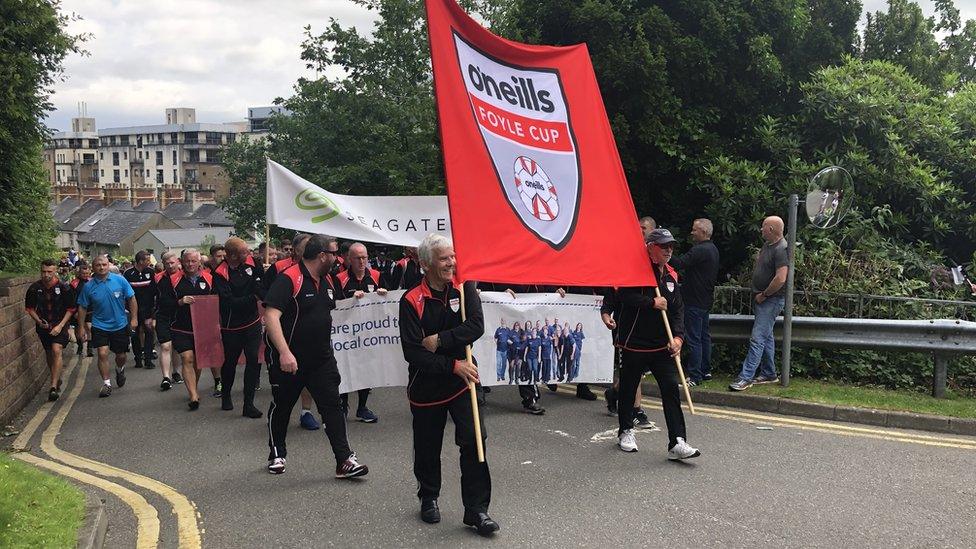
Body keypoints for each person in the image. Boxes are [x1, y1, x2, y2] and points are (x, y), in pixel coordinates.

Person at [399, 234, 497, 535]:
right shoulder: (411, 300)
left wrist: (442, 341)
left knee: (474, 441)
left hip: (463, 382)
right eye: (444, 258)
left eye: (453, 256)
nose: (451, 262)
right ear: (427, 264)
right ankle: (428, 496)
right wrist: (451, 364)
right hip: (427, 386)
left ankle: (477, 510)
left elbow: (476, 326)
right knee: (428, 447)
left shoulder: (466, 287)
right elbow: (413, 352)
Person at [264, 234, 369, 479]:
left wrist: (358, 301)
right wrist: (284, 352)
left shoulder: (328, 280)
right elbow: (271, 316)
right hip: (291, 360)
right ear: (322, 255)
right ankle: (277, 453)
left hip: (321, 359)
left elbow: (334, 310)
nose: (337, 258)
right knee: (282, 406)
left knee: (333, 406)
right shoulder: (289, 278)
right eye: (334, 253)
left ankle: (344, 460)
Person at [614, 229, 700, 459]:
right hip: (634, 342)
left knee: (671, 390)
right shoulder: (636, 271)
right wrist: (651, 302)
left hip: (662, 346)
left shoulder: (671, 276)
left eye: (671, 246)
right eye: (663, 246)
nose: (668, 250)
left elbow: (678, 310)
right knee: (628, 389)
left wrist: (679, 337)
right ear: (650, 247)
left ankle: (677, 441)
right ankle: (625, 430)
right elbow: (623, 297)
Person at [262, 233, 321, 431]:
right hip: (284, 334)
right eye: (307, 246)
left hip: (308, 338)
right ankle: (278, 423)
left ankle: (306, 411)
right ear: (296, 250)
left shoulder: (319, 271)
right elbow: (265, 294)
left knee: (310, 379)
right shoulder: (279, 268)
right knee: (285, 389)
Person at [730, 216, 788, 391]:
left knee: (757, 338)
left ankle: (745, 377)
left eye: (763, 227)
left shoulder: (781, 249)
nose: (761, 230)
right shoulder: (769, 245)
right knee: (766, 337)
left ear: (771, 229)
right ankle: (769, 373)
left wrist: (764, 294)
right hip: (764, 299)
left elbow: (781, 278)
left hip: (771, 299)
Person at [157, 249, 216, 410]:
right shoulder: (172, 280)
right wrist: (180, 302)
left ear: (199, 262)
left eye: (193, 261)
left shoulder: (209, 278)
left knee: (196, 362)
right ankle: (193, 396)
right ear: (181, 262)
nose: (190, 264)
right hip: (180, 327)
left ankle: (193, 388)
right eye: (187, 261)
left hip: (202, 328)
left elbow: (217, 301)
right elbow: (164, 304)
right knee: (187, 358)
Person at [335, 242, 388, 423]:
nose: (361, 261)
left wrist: (384, 295)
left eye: (364, 257)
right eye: (357, 258)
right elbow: (333, 304)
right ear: (349, 259)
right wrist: (350, 300)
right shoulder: (339, 278)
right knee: (344, 367)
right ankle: (342, 406)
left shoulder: (376, 276)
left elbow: (388, 304)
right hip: (346, 335)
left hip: (368, 334)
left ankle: (362, 407)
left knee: (366, 370)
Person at [213, 237, 265, 418]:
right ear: (233, 255)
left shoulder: (252, 264)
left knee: (253, 359)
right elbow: (228, 303)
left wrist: (261, 294)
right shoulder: (220, 273)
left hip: (252, 322)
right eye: (244, 252)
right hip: (231, 326)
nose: (249, 254)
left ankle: (248, 404)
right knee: (231, 362)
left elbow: (261, 287)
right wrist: (253, 298)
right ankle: (226, 395)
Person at [76, 254, 137, 398]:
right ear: (93, 267)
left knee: (121, 355)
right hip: (99, 325)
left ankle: (119, 369)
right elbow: (82, 307)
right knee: (102, 353)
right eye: (98, 265)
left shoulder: (120, 280)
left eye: (104, 264)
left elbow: (132, 298)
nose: (101, 267)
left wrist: (134, 319)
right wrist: (80, 327)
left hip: (119, 324)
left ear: (108, 265)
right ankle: (107, 383)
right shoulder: (88, 286)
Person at [670, 218, 720, 386]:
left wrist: (664, 253)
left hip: (694, 300)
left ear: (704, 232)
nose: (692, 233)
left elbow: (680, 263)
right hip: (705, 300)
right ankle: (705, 370)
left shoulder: (700, 250)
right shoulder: (713, 249)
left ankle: (695, 375)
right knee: (704, 337)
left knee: (694, 339)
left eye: (695, 230)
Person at [25, 259, 76, 401]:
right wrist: (39, 321)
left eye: (49, 272)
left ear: (55, 271)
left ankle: (53, 387)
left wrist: (60, 326)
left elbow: (71, 309)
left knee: (56, 350)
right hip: (44, 326)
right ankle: (56, 377)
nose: (46, 274)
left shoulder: (64, 288)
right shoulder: (34, 289)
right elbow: (30, 308)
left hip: (60, 324)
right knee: (49, 354)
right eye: (43, 271)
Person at [123, 250, 157, 369]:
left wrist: (153, 314)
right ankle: (138, 357)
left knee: (149, 332)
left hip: (147, 309)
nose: (149, 262)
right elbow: (125, 293)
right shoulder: (128, 274)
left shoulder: (150, 272)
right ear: (141, 261)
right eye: (147, 260)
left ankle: (148, 359)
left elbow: (154, 292)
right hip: (133, 310)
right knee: (135, 334)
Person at [154, 251, 181, 390]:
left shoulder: (184, 276)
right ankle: (166, 377)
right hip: (163, 315)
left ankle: (176, 372)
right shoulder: (158, 278)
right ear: (163, 264)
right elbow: (152, 298)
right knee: (165, 346)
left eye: (172, 263)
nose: (170, 266)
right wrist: (150, 317)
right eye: (167, 264)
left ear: (177, 262)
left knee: (176, 347)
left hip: (180, 316)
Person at [69, 262, 93, 357]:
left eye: (87, 273)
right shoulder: (74, 284)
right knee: (78, 330)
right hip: (78, 310)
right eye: (83, 274)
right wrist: (74, 312)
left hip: (90, 309)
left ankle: (89, 348)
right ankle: (80, 346)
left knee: (89, 327)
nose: (85, 275)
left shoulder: (92, 282)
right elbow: (71, 299)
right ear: (79, 273)